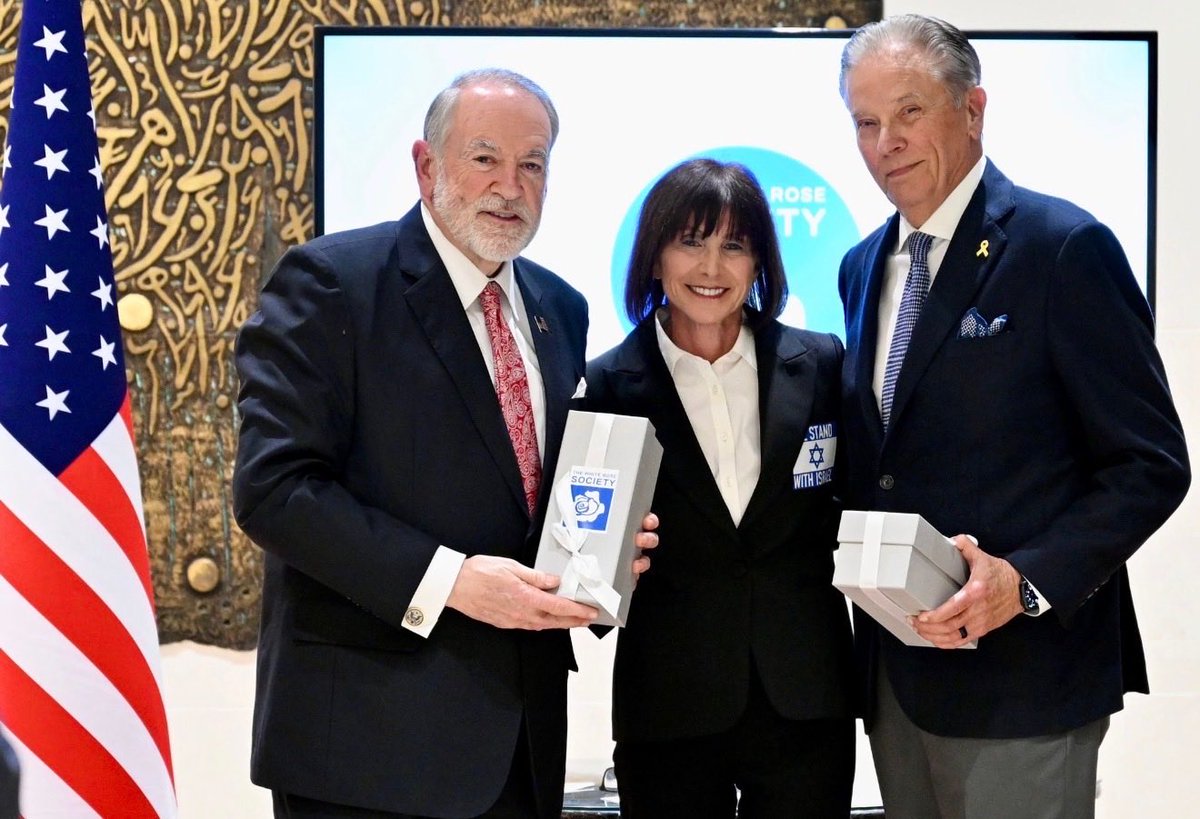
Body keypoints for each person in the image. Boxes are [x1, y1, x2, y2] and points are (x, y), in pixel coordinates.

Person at [233, 68, 656, 819]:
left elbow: (531, 494)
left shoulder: (559, 306)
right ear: (426, 166)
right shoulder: (330, 283)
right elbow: (275, 491)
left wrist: (601, 553)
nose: (511, 186)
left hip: (522, 743)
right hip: (364, 749)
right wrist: (451, 581)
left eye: (532, 164)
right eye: (485, 158)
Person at [836, 14, 1190, 819]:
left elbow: (1150, 465)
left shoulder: (1062, 247)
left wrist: (1025, 583)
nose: (887, 141)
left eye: (910, 110)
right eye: (865, 122)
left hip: (1025, 683)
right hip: (897, 684)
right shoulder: (861, 266)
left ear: (973, 109)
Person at [583, 158, 855, 819]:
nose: (711, 267)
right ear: (654, 258)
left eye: (734, 245)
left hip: (805, 701)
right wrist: (602, 570)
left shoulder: (820, 363)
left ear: (759, 261)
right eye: (690, 241)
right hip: (668, 707)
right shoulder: (607, 385)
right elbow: (583, 564)